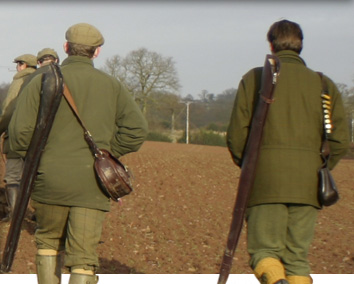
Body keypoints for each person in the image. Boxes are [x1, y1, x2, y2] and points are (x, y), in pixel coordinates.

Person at [8, 23, 148, 284]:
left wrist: (35, 157)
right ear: (97, 52)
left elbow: (18, 133)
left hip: (49, 177)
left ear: (66, 48)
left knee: (48, 242)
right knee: (84, 257)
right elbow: (137, 130)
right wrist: (105, 154)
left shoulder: (41, 79)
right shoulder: (112, 85)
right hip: (93, 183)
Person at [226, 20, 349, 284]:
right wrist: (317, 167)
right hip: (308, 183)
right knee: (297, 259)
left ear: (271, 44)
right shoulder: (324, 85)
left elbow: (237, 135)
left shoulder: (255, 78)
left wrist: (250, 167)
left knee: (264, 252)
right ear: (301, 46)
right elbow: (339, 140)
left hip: (265, 180)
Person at [0, 54, 37, 222]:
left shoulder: (20, 81)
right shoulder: (43, 79)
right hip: (39, 138)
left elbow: (9, 109)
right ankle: (40, 214)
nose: (17, 67)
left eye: (18, 63)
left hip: (17, 137)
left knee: (13, 175)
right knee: (37, 175)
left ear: (23, 65)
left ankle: (15, 215)